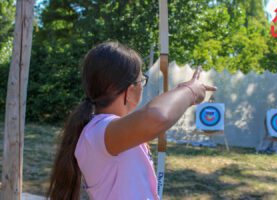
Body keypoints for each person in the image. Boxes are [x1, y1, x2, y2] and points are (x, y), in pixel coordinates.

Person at [47, 41, 217, 200]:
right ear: (129, 90)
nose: (142, 85)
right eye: (141, 80)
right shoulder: (100, 132)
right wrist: (190, 91)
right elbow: (157, 117)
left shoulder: (102, 130)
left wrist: (183, 97)